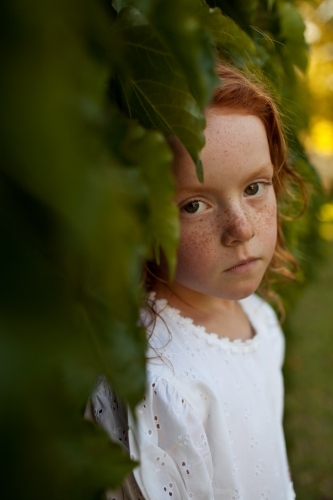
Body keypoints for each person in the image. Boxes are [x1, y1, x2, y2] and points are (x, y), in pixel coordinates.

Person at [85, 62, 303, 499]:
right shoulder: (156, 384)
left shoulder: (258, 317)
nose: (241, 228)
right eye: (193, 206)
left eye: (255, 187)